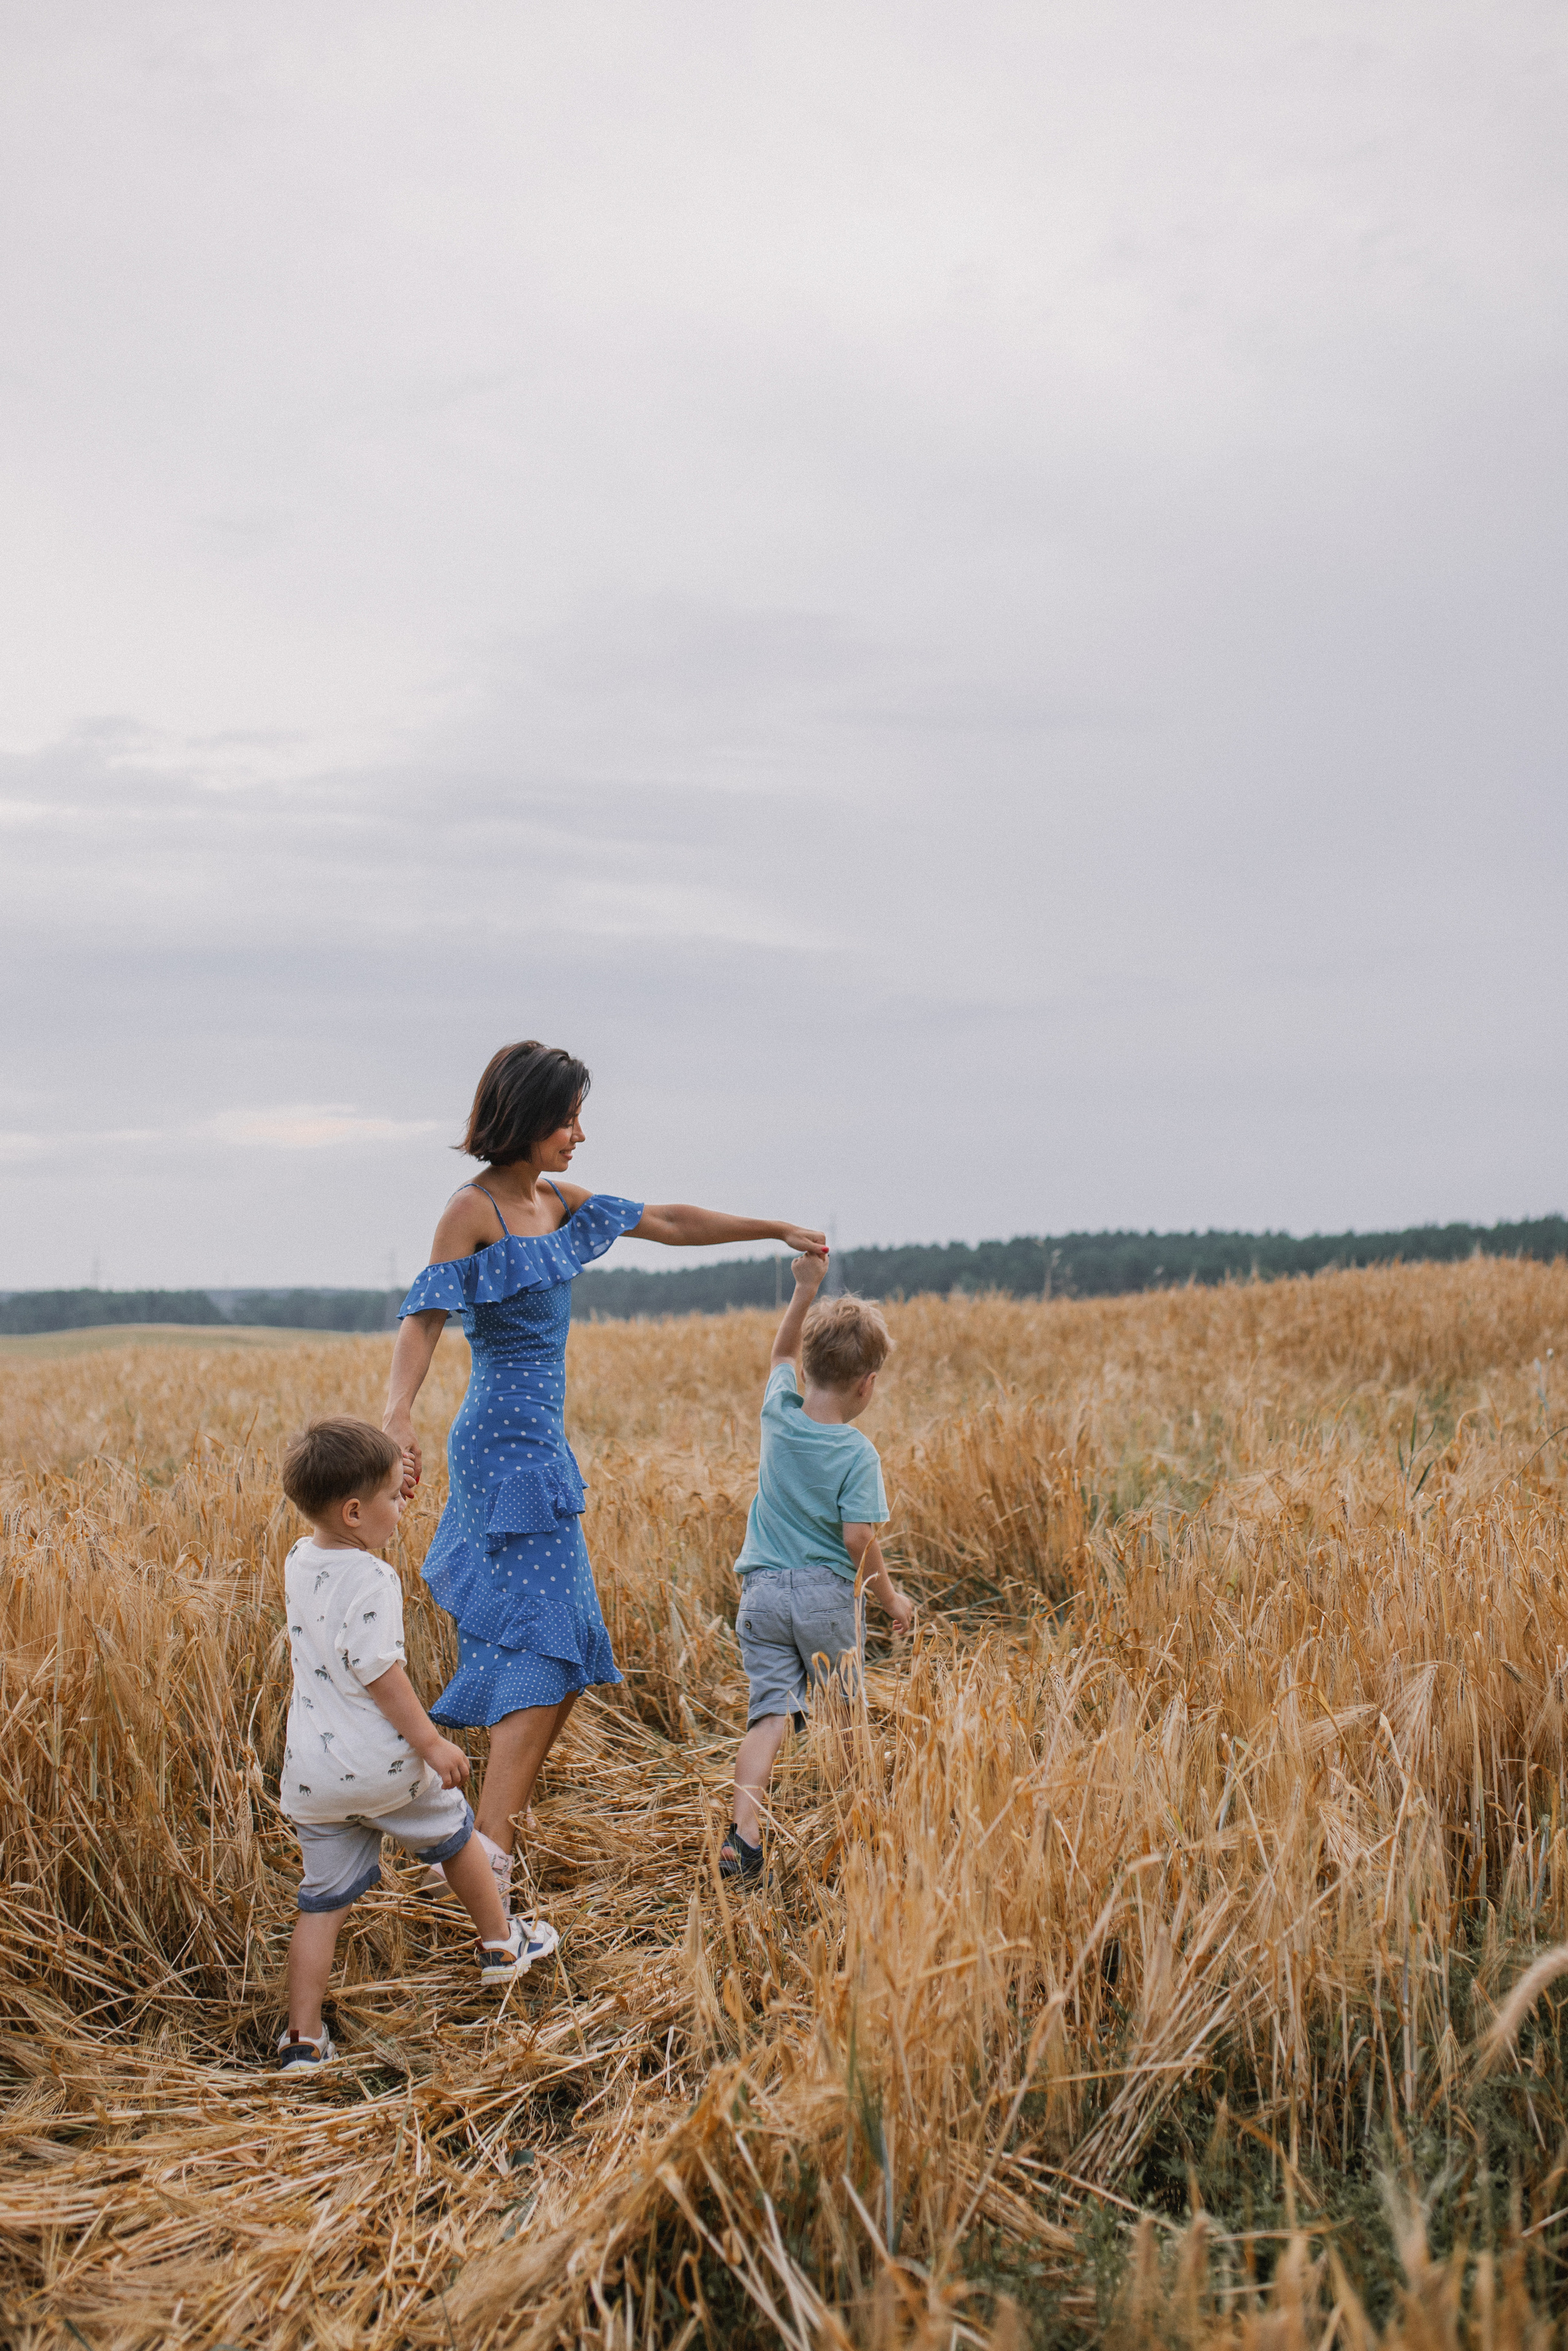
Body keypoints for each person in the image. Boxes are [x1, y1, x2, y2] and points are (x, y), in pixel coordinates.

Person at [383, 1038, 827, 1941]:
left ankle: (486, 1856)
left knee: (572, 1655)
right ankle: (488, 1872)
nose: (580, 1134)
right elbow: (424, 1319)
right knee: (544, 1655)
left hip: (542, 1452)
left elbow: (666, 1220)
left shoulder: (557, 1203)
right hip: (500, 1453)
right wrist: (395, 1417)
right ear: (523, 1119)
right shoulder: (473, 1211)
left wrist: (772, 1227)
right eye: (568, 1118)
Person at [274, 1417, 552, 2074]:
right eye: (394, 1500)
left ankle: (303, 2040)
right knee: (455, 1839)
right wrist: (431, 1745)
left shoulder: (297, 1558)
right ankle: (500, 1943)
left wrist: (388, 1483)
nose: (402, 1510)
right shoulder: (373, 1579)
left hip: (313, 1775)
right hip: (381, 1765)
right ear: (353, 1511)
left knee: (321, 1903)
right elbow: (381, 1674)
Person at [721, 1251, 915, 1885]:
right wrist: (889, 1599)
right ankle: (866, 1824)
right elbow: (857, 1537)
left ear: (807, 1370)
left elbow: (779, 1355)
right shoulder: (858, 1453)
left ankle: (742, 1835)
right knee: (846, 1710)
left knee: (769, 1713)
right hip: (826, 1599)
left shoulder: (779, 1413)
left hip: (761, 1596)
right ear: (868, 1383)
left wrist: (804, 1291)